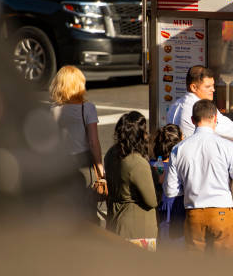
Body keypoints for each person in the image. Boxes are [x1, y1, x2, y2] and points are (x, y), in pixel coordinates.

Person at [164, 100, 233, 255]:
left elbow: (171, 191)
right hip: (222, 215)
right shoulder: (228, 146)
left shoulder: (178, 149)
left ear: (193, 120)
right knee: (223, 271)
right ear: (215, 119)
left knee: (197, 271)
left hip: (194, 215)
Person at [49, 65, 104, 222]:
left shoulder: (53, 110)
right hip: (83, 164)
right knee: (87, 209)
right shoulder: (87, 108)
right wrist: (100, 168)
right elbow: (93, 142)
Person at [105, 111, 158, 251]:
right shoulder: (137, 163)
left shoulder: (111, 154)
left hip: (115, 222)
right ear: (140, 135)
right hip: (137, 229)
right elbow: (151, 200)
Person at [150, 124, 184, 245]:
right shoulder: (178, 165)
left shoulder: (155, 163)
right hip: (176, 207)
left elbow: (160, 175)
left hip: (159, 208)